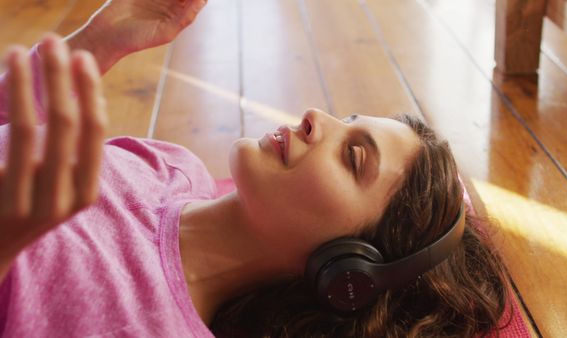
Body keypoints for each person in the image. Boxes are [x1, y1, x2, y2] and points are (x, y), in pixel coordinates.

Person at [0, 0, 511, 337]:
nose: (316, 119)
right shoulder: (172, 170)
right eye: (346, 119)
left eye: (353, 156)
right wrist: (102, 39)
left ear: (346, 268)